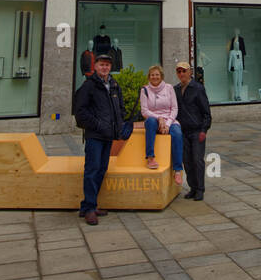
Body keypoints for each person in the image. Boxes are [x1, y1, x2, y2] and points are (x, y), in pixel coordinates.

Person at [72, 51, 126, 225]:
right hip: (95, 136)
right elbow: (80, 112)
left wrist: (119, 124)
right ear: (95, 66)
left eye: (107, 65)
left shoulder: (113, 84)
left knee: (101, 169)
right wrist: (97, 125)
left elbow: (120, 107)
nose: (105, 67)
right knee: (92, 170)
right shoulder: (89, 85)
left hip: (108, 136)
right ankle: (88, 209)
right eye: (102, 64)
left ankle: (91, 204)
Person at [139, 64, 183, 186]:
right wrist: (159, 119)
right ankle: (150, 157)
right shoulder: (145, 90)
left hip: (170, 120)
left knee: (177, 134)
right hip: (154, 120)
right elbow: (144, 111)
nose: (155, 77)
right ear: (149, 77)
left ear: (161, 76)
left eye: (157, 74)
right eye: (152, 75)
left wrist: (167, 124)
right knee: (150, 121)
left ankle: (177, 170)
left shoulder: (169, 88)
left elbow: (174, 108)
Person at [174, 61, 211, 201]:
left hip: (197, 131)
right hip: (182, 131)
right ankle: (193, 188)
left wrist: (204, 130)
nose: (182, 74)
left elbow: (206, 112)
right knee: (187, 161)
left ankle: (200, 189)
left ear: (190, 72)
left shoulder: (198, 88)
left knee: (197, 160)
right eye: (179, 71)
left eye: (184, 71)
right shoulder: (175, 89)